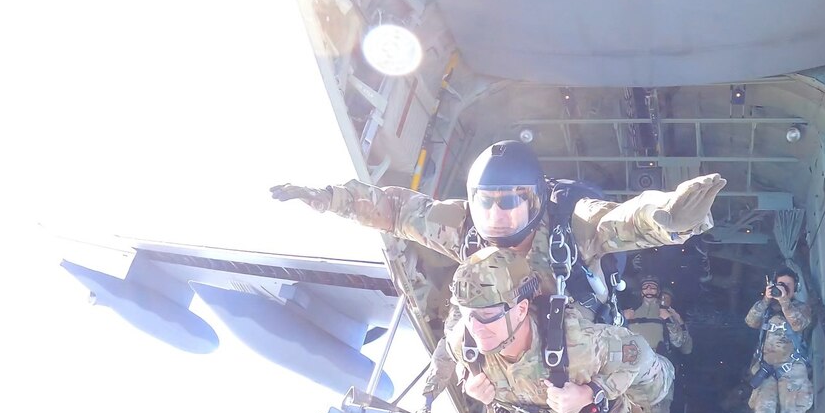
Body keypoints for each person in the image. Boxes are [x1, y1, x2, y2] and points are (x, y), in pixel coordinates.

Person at [270, 140, 726, 323]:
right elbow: (394, 209)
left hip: (580, 342)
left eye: (511, 201)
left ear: (537, 199)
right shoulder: (464, 230)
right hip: (507, 353)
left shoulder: (573, 224)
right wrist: (326, 198)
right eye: (485, 202)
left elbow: (624, 222)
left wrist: (671, 217)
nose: (498, 215)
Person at [447, 247, 673, 413]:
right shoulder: (464, 341)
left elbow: (638, 351)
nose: (475, 327)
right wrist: (469, 381)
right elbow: (457, 359)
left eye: (487, 315)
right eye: (467, 314)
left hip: (592, 408)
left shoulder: (577, 344)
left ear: (521, 309)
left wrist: (589, 393)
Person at [743, 267, 814, 413]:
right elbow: (750, 321)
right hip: (766, 370)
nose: (783, 288)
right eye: (780, 284)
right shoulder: (766, 310)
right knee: (763, 409)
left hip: (792, 370)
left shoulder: (801, 308)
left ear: (795, 288)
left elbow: (799, 324)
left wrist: (784, 302)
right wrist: (766, 299)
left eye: (788, 286)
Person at [623, 277, 692, 413]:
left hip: (659, 372)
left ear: (658, 292)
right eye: (645, 286)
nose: (648, 289)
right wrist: (623, 319)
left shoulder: (667, 314)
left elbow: (680, 343)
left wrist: (669, 319)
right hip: (632, 370)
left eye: (653, 287)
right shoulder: (631, 313)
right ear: (641, 292)